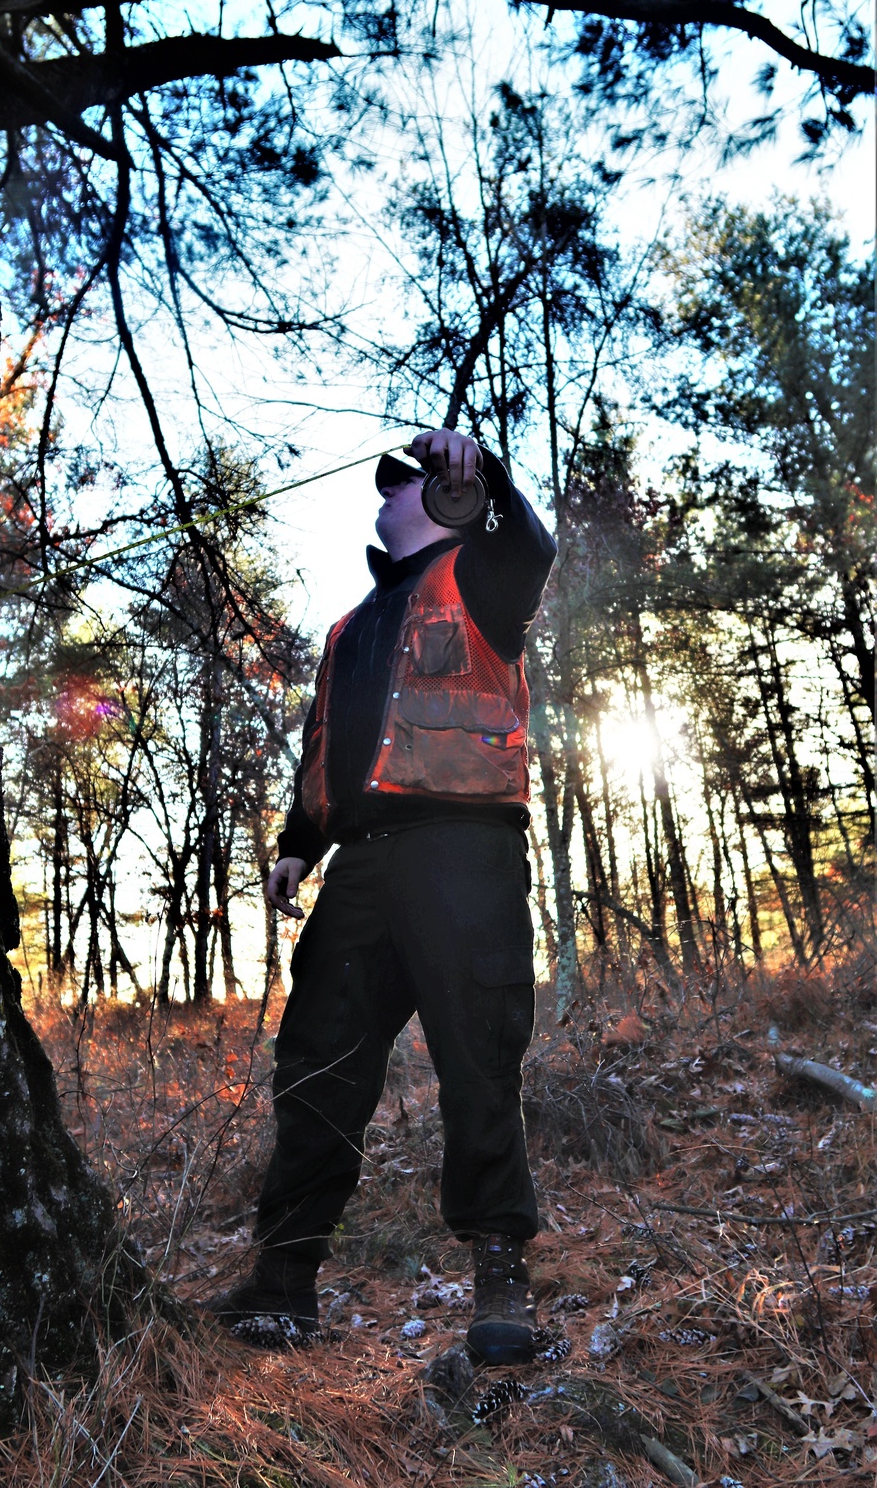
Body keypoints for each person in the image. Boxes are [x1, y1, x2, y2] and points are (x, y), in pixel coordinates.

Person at [215, 428, 556, 1363]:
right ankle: (283, 1285)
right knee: (318, 1066)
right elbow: (329, 747)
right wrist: (297, 844)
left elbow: (529, 547)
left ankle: (501, 1290)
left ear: (441, 499)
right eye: (394, 483)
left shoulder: (484, 578)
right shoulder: (349, 628)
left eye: (406, 482)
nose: (387, 493)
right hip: (358, 869)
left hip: (465, 854)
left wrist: (485, 476)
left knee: (478, 1062)